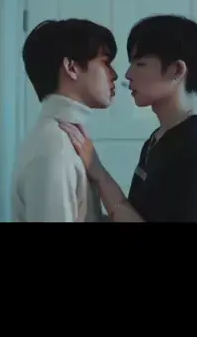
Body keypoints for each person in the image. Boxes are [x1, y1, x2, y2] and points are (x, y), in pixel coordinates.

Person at [59, 14, 197, 222]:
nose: (127, 74)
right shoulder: (158, 139)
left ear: (177, 70)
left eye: (140, 64)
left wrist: (99, 173)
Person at [11, 18, 118, 222]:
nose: (114, 75)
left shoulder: (65, 139)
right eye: (105, 63)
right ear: (71, 67)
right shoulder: (54, 149)